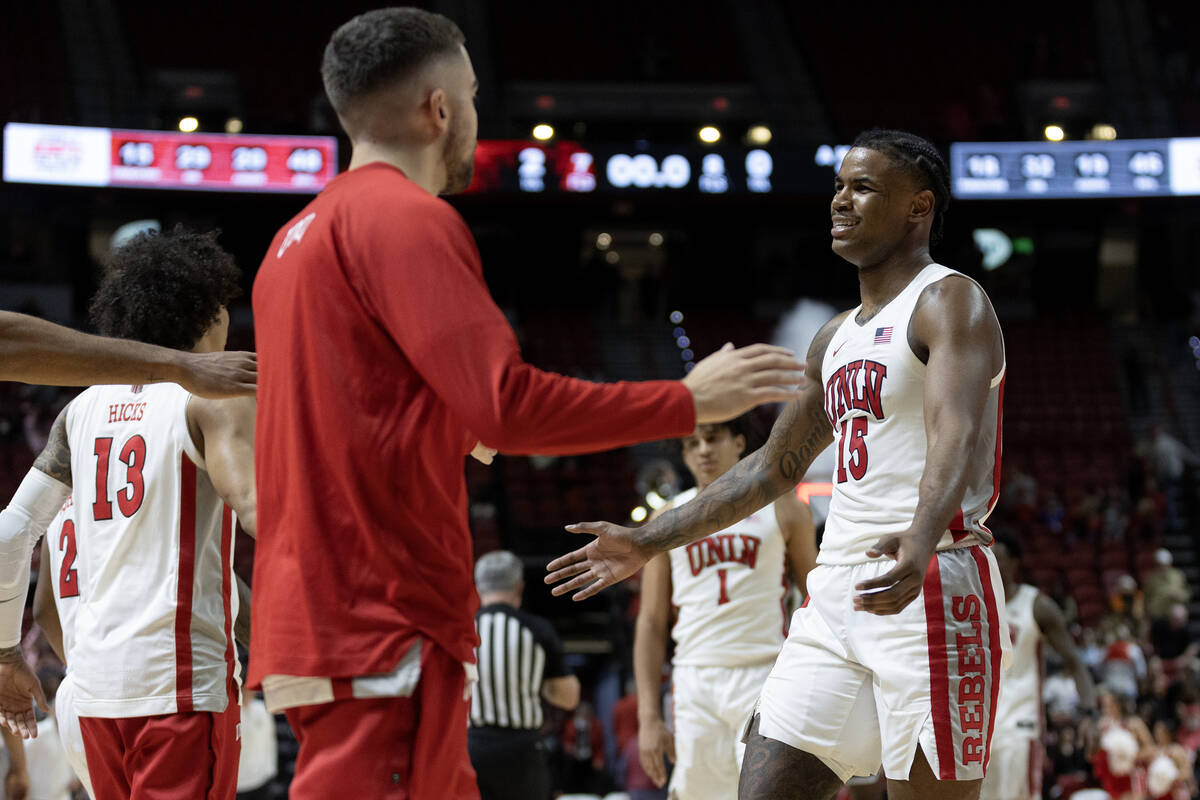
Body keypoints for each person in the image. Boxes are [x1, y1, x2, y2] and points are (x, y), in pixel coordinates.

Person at [247, 8, 802, 799]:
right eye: (471, 96)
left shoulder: (290, 242)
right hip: (383, 612)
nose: (475, 116)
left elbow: (357, 417)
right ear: (440, 108)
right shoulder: (406, 219)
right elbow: (507, 404)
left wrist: (449, 427)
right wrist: (684, 399)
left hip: (321, 607)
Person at [549, 129, 1011, 800]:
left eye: (863, 188)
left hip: (931, 577)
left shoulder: (950, 300)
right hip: (836, 594)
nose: (840, 202)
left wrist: (919, 531)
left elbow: (957, 428)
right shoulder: (835, 336)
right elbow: (771, 467)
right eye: (838, 187)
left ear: (919, 207)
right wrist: (649, 540)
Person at [0, 228, 257, 800]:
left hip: (90, 690)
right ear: (210, 313)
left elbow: (10, 534)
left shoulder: (79, 410)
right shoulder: (211, 396)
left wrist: (3, 653)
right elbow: (261, 510)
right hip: (179, 686)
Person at [634, 415, 816, 798]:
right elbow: (650, 622)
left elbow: (818, 598)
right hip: (694, 679)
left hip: (764, 675)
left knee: (766, 792)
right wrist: (648, 716)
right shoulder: (666, 519)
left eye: (712, 439)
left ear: (738, 443)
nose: (702, 450)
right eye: (692, 443)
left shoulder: (783, 508)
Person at [980, 532, 1097, 800]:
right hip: (980, 729)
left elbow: (1075, 662)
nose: (992, 563)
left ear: (1015, 562)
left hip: (1020, 726)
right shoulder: (975, 605)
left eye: (999, 557)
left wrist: (1089, 713)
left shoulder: (1036, 605)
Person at [468, 550, 579, 800]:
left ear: (477, 587)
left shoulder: (465, 631)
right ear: (519, 587)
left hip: (470, 748)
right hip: (521, 751)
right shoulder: (537, 630)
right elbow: (569, 698)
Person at [0, 310, 255, 398]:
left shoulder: (82, 404)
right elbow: (251, 504)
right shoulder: (220, 401)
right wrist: (182, 365)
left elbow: (24, 514)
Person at [31, 496, 93, 797]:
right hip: (128, 676)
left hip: (77, 688)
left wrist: (75, 663)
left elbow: (42, 610)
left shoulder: (54, 512)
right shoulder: (113, 498)